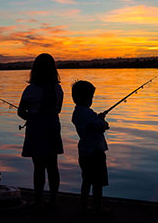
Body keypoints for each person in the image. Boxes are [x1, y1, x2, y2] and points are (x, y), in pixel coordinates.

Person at [17, 53, 64, 208]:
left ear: (34, 70)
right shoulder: (58, 89)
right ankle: (53, 200)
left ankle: (38, 200)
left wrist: (30, 116)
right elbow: (58, 110)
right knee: (53, 166)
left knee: (38, 167)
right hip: (52, 128)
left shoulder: (30, 90)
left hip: (36, 130)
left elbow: (21, 112)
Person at [71, 80, 109, 214]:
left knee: (86, 181)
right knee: (97, 183)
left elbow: (92, 123)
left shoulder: (77, 113)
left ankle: (84, 206)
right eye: (91, 97)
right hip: (95, 153)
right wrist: (103, 121)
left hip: (84, 153)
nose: (92, 99)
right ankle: (98, 208)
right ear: (87, 98)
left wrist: (98, 118)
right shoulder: (88, 113)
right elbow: (101, 126)